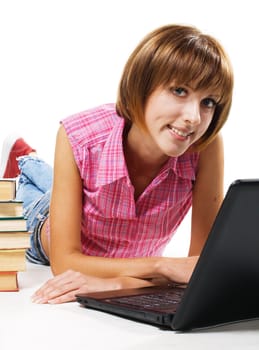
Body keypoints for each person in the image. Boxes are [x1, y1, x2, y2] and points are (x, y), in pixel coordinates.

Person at [0, 24, 234, 304]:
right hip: (40, 222)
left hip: (107, 233)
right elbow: (64, 263)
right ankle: (24, 161)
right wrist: (161, 266)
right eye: (180, 91)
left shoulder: (204, 146)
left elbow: (198, 269)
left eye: (208, 101)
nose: (194, 118)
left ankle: (28, 158)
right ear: (142, 86)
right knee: (21, 201)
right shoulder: (78, 135)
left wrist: (117, 282)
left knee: (60, 186)